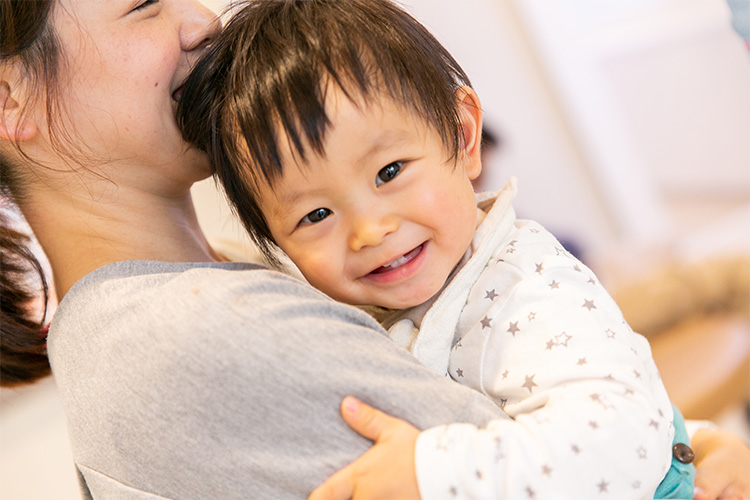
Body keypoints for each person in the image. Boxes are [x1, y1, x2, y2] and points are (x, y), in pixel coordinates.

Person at [0, 0, 747, 499]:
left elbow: (607, 441)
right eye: (143, 1)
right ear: (10, 97)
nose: (200, 20)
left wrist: (687, 442)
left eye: (390, 173)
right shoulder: (186, 332)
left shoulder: (198, 288)